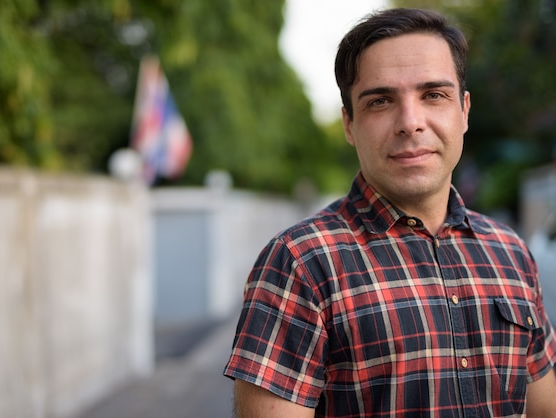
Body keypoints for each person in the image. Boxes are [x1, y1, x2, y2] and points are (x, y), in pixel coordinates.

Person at [223, 8, 556, 417]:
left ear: (464, 111)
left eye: (433, 95)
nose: (410, 122)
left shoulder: (511, 254)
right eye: (381, 101)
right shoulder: (300, 264)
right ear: (349, 123)